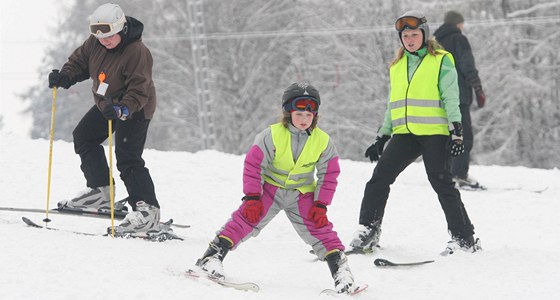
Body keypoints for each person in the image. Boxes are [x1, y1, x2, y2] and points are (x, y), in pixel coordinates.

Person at [194, 82, 358, 294]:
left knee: (321, 229)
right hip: (269, 189)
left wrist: (321, 204)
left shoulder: (323, 141)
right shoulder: (271, 135)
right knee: (245, 220)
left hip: (302, 194)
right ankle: (211, 258)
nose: (303, 120)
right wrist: (252, 197)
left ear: (315, 116)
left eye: (309, 116)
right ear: (288, 113)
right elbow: (254, 165)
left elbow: (329, 174)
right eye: (298, 114)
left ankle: (341, 273)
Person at [349, 11, 481, 256]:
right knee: (379, 178)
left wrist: (457, 131)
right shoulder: (397, 65)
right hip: (406, 134)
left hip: (435, 133)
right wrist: (383, 135)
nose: (409, 39)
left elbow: (450, 97)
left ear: (424, 35)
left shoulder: (441, 60)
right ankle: (368, 229)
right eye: (405, 35)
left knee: (441, 182)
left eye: (414, 34)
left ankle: (465, 239)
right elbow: (393, 103)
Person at [47, 3, 166, 236]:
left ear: (120, 28)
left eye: (109, 36)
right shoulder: (96, 42)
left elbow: (140, 90)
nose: (105, 41)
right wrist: (65, 76)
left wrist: (123, 109)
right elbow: (80, 62)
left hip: (135, 108)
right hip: (107, 103)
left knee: (128, 157)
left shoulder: (137, 52)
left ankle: (147, 211)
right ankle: (101, 192)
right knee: (84, 137)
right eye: (100, 37)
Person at [434, 11, 486, 190]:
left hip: (439, 96)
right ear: (458, 24)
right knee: (463, 135)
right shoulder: (459, 39)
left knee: (446, 135)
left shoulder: (434, 42)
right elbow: (467, 65)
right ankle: (459, 175)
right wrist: (477, 87)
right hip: (459, 94)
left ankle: (445, 173)